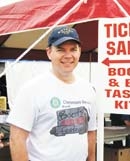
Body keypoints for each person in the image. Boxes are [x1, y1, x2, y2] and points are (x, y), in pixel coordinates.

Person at [6, 26, 97, 161]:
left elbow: (90, 133)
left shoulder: (88, 89)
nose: (68, 55)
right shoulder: (31, 90)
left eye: (73, 49)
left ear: (79, 52)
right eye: (61, 50)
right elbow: (16, 139)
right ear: (49, 52)